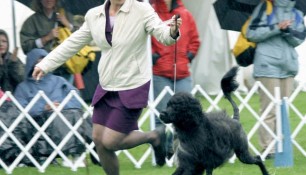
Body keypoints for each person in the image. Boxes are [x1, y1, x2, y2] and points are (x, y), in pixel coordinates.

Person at [31, 0, 182, 174]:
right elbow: (73, 43)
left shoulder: (142, 9)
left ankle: (154, 136)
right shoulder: (94, 15)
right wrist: (46, 64)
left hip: (133, 84)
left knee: (110, 141)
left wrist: (172, 31)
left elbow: (163, 34)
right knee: (98, 140)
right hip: (107, 84)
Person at [246, 0, 306, 159]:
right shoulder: (265, 7)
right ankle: (268, 149)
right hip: (267, 64)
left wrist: (287, 30)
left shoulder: (297, 12)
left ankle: (281, 146)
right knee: (269, 109)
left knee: (283, 110)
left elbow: (300, 37)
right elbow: (251, 33)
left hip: (288, 66)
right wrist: (276, 28)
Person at [14, 48, 92, 167]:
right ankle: (72, 154)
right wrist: (44, 108)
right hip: (39, 123)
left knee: (77, 114)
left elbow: (76, 99)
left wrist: (62, 106)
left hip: (66, 115)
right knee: (62, 117)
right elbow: (19, 110)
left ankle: (92, 150)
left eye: (45, 62)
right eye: (38, 63)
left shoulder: (60, 81)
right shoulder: (23, 87)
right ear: (31, 65)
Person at [150, 0, 200, 160]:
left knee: (186, 116)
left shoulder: (186, 15)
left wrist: (189, 56)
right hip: (160, 72)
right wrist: (154, 57)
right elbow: (145, 40)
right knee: (162, 114)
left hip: (183, 73)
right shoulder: (152, 14)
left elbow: (195, 40)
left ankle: (182, 153)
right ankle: (161, 151)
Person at [20, 0, 75, 81]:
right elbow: (25, 45)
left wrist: (67, 24)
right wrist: (46, 38)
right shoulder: (32, 21)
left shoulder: (65, 15)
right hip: (43, 68)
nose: (48, 0)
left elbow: (81, 36)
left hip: (66, 67)